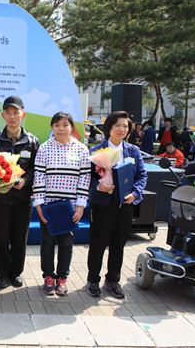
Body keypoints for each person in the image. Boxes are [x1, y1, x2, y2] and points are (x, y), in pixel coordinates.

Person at [86, 111, 148, 299]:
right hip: (103, 204)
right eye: (118, 126)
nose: (122, 129)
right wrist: (99, 186)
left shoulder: (133, 151)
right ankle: (93, 280)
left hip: (125, 204)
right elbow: (87, 178)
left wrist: (136, 193)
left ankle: (113, 280)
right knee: (98, 243)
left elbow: (142, 175)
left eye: (125, 126)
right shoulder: (96, 151)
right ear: (109, 128)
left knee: (118, 244)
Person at [33, 112, 90, 296]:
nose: (61, 128)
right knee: (47, 242)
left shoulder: (81, 149)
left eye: (65, 124)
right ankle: (48, 277)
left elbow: (85, 178)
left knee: (66, 243)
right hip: (49, 206)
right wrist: (39, 205)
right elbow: (39, 177)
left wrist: (80, 205)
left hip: (70, 207)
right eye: (57, 125)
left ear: (72, 127)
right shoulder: (44, 148)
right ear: (52, 128)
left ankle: (62, 279)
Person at [0, 96, 40, 289]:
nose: (12, 116)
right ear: (3, 115)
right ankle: (1, 274)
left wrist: (25, 180)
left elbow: (36, 169)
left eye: (15, 112)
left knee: (19, 238)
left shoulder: (32, 141)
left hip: (22, 198)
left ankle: (16, 272)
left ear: (22, 114)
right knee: (1, 238)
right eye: (8, 113)